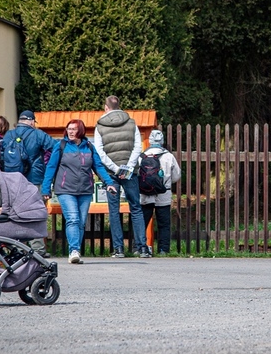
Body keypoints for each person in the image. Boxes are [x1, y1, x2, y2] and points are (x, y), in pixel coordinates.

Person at [42, 119, 116, 264]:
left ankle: (75, 251)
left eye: (74, 129)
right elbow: (51, 167)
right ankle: (74, 250)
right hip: (65, 189)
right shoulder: (61, 146)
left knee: (81, 222)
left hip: (85, 190)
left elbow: (98, 166)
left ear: (80, 131)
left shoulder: (89, 147)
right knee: (73, 219)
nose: (70, 132)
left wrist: (109, 183)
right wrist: (46, 189)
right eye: (68, 129)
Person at [94, 96, 149, 258]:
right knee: (136, 208)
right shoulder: (131, 123)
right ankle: (142, 247)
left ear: (106, 108)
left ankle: (119, 249)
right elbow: (137, 147)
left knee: (114, 210)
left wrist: (115, 168)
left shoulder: (100, 126)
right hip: (130, 173)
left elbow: (100, 152)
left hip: (111, 174)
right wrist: (129, 166)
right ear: (119, 106)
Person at [3, 110, 56, 257]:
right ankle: (37, 249)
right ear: (32, 121)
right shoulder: (38, 134)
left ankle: (17, 248)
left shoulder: (9, 135)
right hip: (34, 179)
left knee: (15, 213)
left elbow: (1, 154)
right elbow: (56, 147)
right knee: (35, 212)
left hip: (13, 180)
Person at [139, 129, 181, 256]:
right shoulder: (169, 156)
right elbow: (177, 176)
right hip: (163, 194)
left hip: (145, 195)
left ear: (150, 141)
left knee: (142, 223)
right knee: (163, 224)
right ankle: (163, 250)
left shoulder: (142, 156)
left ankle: (139, 248)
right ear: (162, 141)